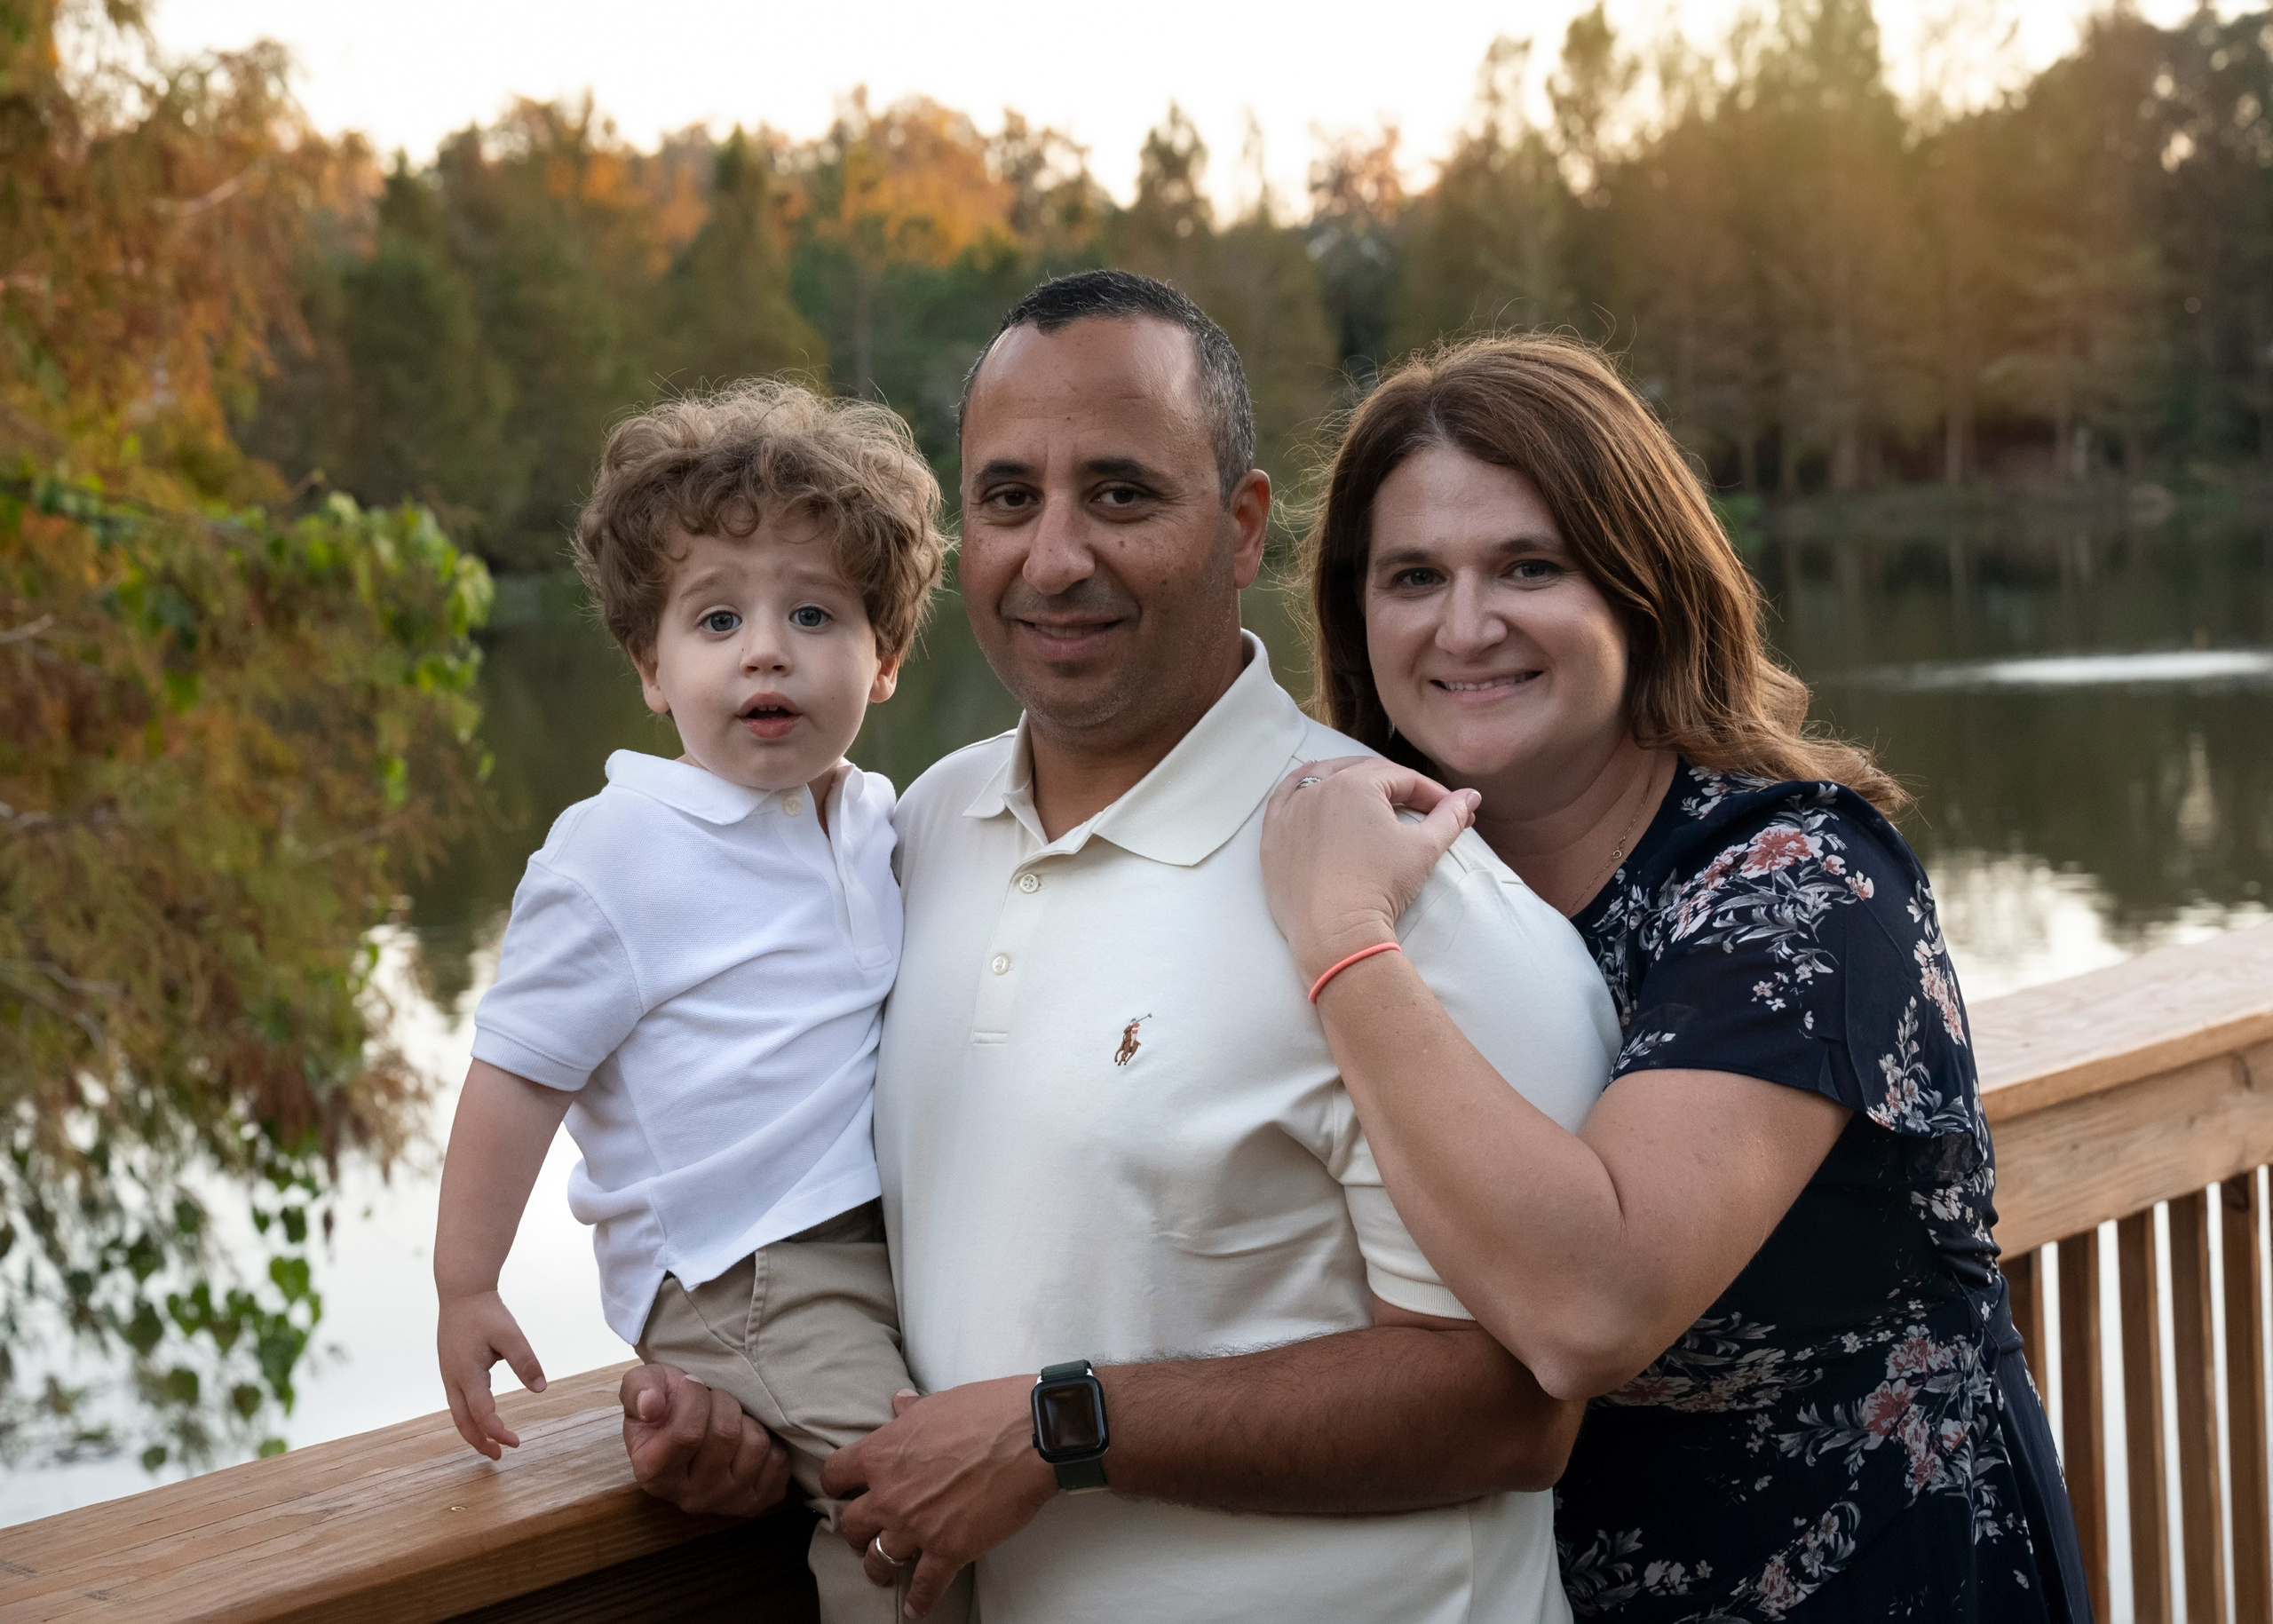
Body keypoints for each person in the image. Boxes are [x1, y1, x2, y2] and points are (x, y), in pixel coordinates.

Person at [619, 270, 1620, 1623]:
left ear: (1242, 526)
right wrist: (756, 1415)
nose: (1053, 558)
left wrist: (1062, 1428)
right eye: (1008, 498)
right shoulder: (909, 840)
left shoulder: (1413, 893)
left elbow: (1514, 1411)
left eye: (1121, 494)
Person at [1256, 334, 2092, 1621]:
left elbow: (1591, 1307)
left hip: (1877, 1584)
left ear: (1641, 586)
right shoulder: (1414, 889)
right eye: (1414, 575)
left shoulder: (1800, 884)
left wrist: (1343, 941)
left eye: (1529, 566)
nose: (1465, 625)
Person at [432, 379, 966, 1624]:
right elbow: (517, 1075)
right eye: (717, 618)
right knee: (904, 1497)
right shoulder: (618, 851)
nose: (765, 648)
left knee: (991, 1451)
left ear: (885, 660)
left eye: (813, 613)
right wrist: (466, 1283)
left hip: (880, 1243)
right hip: (743, 1264)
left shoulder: (877, 818)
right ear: (651, 666)